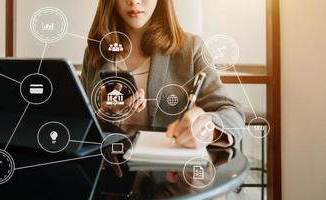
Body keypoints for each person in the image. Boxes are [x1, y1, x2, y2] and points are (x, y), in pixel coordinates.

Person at [80, 0, 245, 148]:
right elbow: (82, 126)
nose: (134, 2)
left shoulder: (192, 48)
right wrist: (105, 115)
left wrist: (209, 129)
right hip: (108, 172)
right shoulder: (95, 51)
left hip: (167, 173)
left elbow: (232, 113)